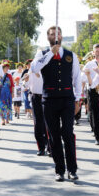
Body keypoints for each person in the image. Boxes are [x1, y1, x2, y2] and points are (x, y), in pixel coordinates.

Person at [31, 26, 81, 182]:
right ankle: (59, 169)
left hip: (67, 99)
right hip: (49, 99)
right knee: (54, 136)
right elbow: (34, 68)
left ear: (62, 36)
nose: (55, 36)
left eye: (58, 33)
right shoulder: (42, 54)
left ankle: (72, 169)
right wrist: (50, 55)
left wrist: (78, 98)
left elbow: (77, 78)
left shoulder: (70, 55)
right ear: (48, 37)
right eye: (52, 34)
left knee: (67, 133)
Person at [83, 44, 99, 145]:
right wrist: (87, 75)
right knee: (95, 113)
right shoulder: (89, 64)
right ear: (93, 53)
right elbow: (83, 78)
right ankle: (97, 136)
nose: (98, 53)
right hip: (93, 91)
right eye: (96, 51)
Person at [27, 68, 50, 156]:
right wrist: (26, 80)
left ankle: (50, 147)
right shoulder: (32, 69)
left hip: (45, 96)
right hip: (35, 97)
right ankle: (41, 147)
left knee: (47, 122)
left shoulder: (47, 67)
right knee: (37, 124)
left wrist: (39, 76)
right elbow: (26, 86)